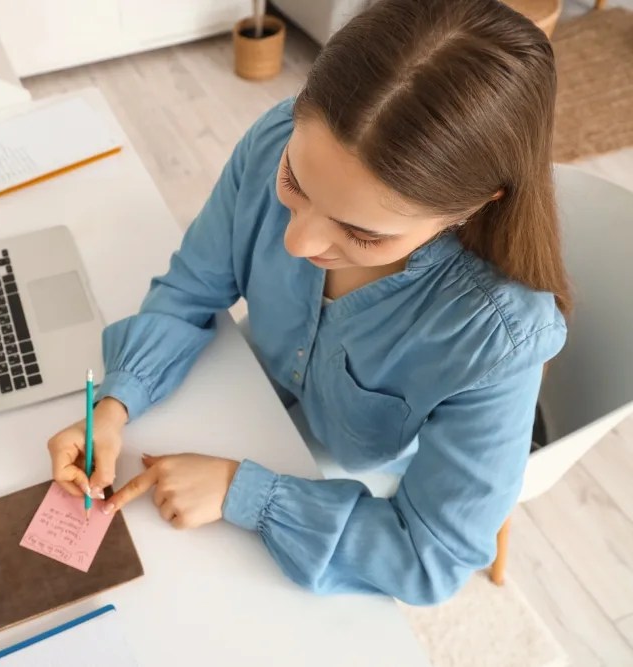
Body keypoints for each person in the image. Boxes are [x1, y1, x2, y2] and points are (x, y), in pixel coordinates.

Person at [46, 0, 570, 605]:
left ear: (470, 206)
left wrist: (241, 491)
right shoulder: (276, 136)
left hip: (334, 476)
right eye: (294, 184)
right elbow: (192, 287)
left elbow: (432, 559)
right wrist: (115, 403)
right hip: (242, 399)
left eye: (362, 233)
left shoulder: (497, 339)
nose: (298, 243)